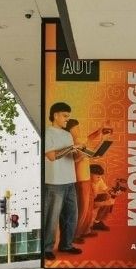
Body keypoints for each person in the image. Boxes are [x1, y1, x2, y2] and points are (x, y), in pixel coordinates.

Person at [42, 102, 83, 260]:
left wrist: (82, 153)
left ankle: (66, 245)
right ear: (55, 115)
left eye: (68, 116)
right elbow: (51, 157)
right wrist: (70, 149)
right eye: (65, 116)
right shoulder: (48, 133)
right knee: (52, 217)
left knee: (71, 216)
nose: (67, 119)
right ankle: (47, 248)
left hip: (70, 180)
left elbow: (72, 157)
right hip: (54, 182)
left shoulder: (67, 135)